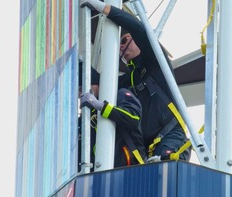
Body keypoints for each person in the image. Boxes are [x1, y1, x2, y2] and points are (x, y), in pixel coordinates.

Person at [80, 0, 191, 162]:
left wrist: (106, 9)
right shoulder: (130, 79)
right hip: (147, 148)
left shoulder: (155, 63)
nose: (121, 48)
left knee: (166, 168)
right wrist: (76, 60)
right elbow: (99, 80)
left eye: (124, 41)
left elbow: (138, 29)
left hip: (170, 135)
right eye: (119, 45)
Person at [79, 62, 147, 168]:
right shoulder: (86, 116)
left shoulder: (120, 95)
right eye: (78, 91)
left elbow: (133, 118)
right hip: (103, 172)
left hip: (133, 166)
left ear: (96, 82)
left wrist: (102, 107)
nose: (81, 94)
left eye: (82, 88)